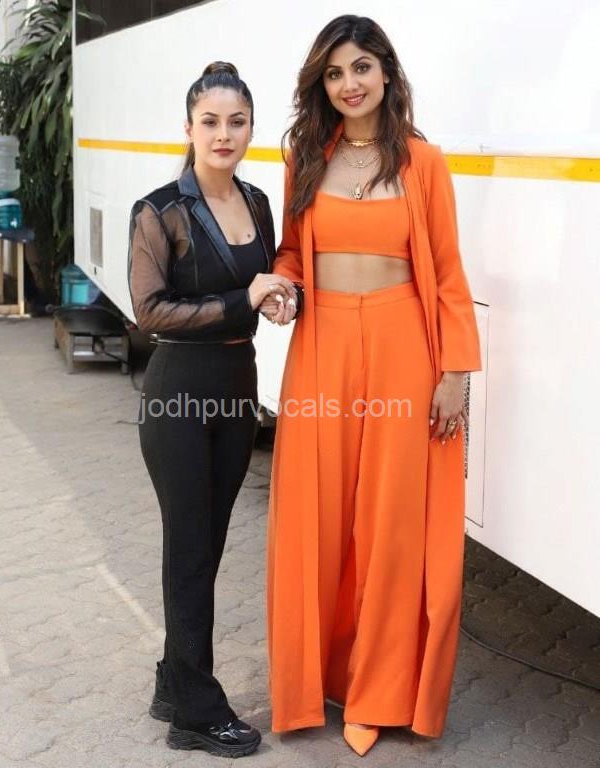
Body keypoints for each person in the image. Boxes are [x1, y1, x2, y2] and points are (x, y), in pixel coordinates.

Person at [263, 16, 482, 756]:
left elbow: (447, 272)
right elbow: (292, 253)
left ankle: (379, 693)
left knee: (390, 523)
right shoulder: (306, 158)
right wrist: (282, 287)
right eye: (334, 73)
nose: (349, 84)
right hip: (321, 344)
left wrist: (455, 371)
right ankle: (313, 681)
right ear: (320, 85)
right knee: (315, 516)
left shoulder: (424, 162)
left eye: (360, 67)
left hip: (401, 344)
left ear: (386, 71)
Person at [128, 61, 297, 758]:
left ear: (251, 128)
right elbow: (149, 312)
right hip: (178, 390)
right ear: (189, 128)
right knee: (190, 550)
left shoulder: (256, 202)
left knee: (208, 546)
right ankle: (196, 711)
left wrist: (279, 299)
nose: (224, 133)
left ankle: (174, 682)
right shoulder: (158, 210)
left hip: (236, 384)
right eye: (210, 121)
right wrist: (243, 300)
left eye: (237, 121)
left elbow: (262, 283)